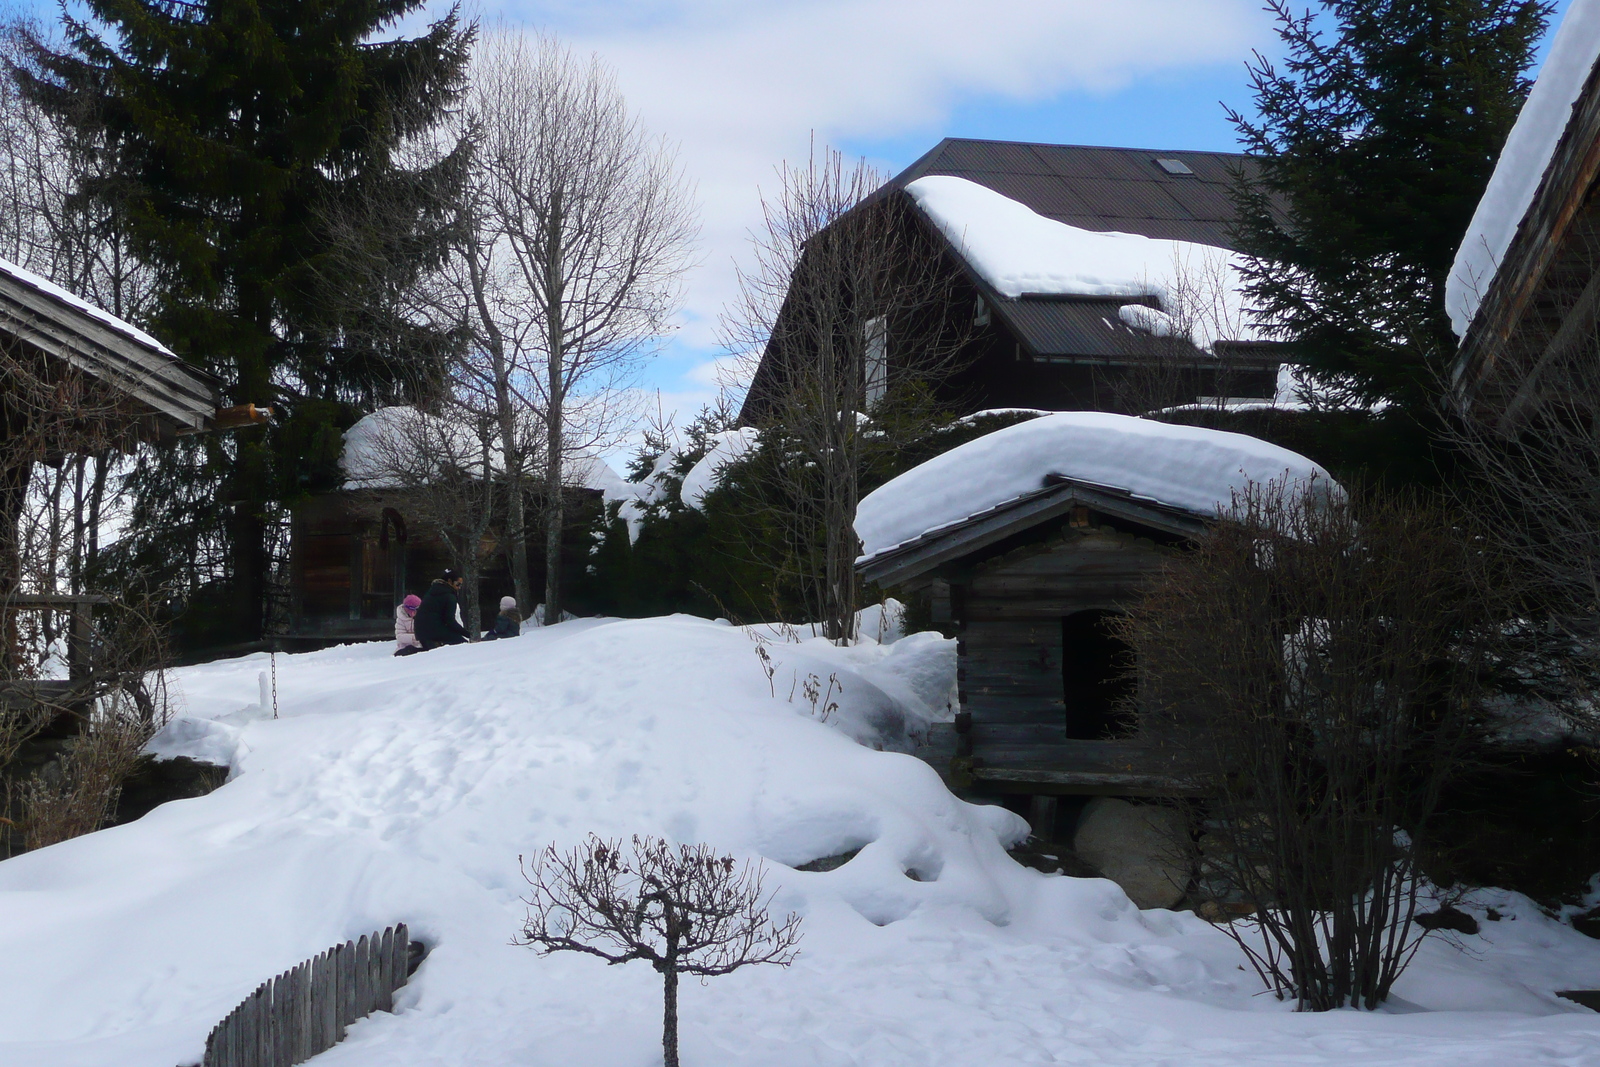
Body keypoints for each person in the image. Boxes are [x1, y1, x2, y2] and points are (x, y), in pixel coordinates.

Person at [415, 569, 471, 649]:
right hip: (434, 630)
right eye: (457, 584)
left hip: (421, 632)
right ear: (449, 581)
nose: (459, 588)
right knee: (463, 646)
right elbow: (450, 621)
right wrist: (467, 634)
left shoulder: (433, 590)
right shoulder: (449, 596)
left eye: (461, 585)